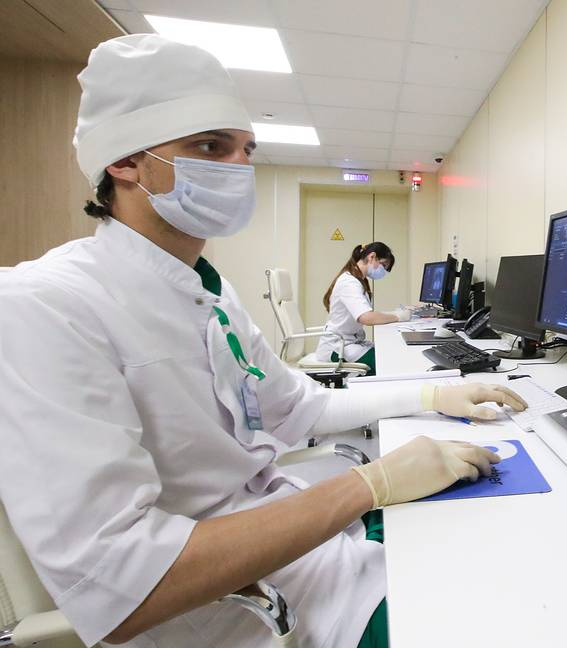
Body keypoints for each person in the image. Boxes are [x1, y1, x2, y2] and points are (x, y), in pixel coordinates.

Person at [0, 34, 526, 648]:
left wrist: (432, 397)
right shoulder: (45, 304)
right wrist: (369, 485)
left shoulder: (208, 291)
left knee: (506, 547)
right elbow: (122, 584)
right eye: (209, 147)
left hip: (313, 543)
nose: (237, 168)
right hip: (250, 612)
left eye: (245, 149)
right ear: (124, 162)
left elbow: (305, 407)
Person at [316, 242, 410, 372]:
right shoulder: (349, 282)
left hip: (350, 342)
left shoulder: (359, 280)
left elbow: (367, 312)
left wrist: (395, 313)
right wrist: (398, 317)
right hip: (338, 348)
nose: (383, 271)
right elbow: (366, 317)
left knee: (389, 352)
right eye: (383, 265)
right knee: (386, 364)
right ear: (372, 257)